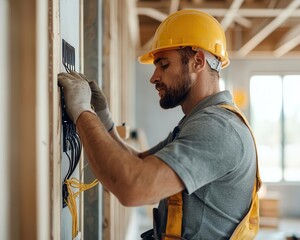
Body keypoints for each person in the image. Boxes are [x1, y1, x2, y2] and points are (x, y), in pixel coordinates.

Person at [58, 9, 260, 240]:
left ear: (198, 62)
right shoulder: (199, 121)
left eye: (163, 65)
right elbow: (139, 162)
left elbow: (133, 187)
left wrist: (82, 111)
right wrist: (104, 119)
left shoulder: (219, 129)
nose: (153, 77)